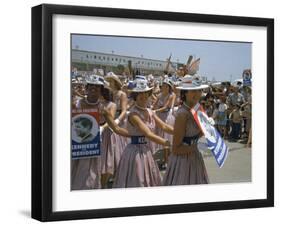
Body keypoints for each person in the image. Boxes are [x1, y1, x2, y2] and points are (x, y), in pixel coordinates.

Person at [103, 76, 174, 188]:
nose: (144, 96)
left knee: (148, 179)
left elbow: (164, 126)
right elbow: (148, 134)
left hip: (146, 151)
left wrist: (180, 132)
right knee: (138, 180)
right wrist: (168, 143)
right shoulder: (133, 114)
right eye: (140, 93)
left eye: (146, 93)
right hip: (135, 153)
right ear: (135, 96)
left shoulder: (150, 111)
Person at [163, 75, 209, 185]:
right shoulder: (182, 114)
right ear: (185, 93)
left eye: (199, 90)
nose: (197, 94)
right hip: (183, 161)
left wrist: (207, 127)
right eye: (192, 91)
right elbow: (176, 149)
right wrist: (197, 146)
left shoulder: (198, 108)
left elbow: (198, 134)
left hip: (195, 156)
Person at [71, 74, 115, 190]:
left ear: (101, 90)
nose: (94, 90)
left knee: (93, 171)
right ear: (87, 88)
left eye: (97, 87)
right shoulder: (77, 103)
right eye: (91, 87)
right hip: (78, 143)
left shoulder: (103, 108)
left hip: (95, 143)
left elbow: (115, 126)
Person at [104, 72, 129, 185]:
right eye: (108, 80)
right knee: (111, 147)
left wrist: (118, 120)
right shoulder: (107, 94)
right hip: (108, 120)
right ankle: (110, 171)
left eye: (111, 80)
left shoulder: (121, 94)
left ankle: (119, 172)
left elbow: (124, 109)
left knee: (119, 146)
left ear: (115, 82)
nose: (109, 82)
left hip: (119, 121)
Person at [152, 78, 175, 166]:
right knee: (160, 137)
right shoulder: (159, 95)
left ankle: (167, 159)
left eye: (166, 86)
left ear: (169, 87)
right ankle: (164, 159)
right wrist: (151, 110)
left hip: (167, 117)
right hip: (160, 116)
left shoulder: (171, 95)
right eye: (163, 85)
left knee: (167, 137)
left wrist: (155, 111)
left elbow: (166, 107)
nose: (164, 87)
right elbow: (154, 105)